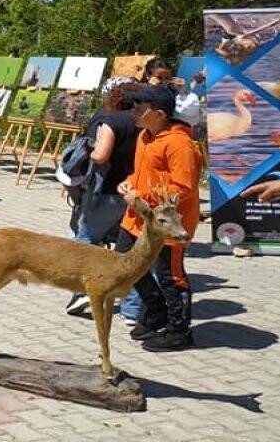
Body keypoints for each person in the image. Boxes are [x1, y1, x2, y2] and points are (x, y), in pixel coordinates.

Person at [115, 86, 203, 352]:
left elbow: (183, 187)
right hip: (136, 220)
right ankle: (156, 312)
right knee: (125, 262)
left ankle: (179, 331)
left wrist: (142, 197)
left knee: (170, 276)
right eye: (135, 107)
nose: (135, 113)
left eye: (141, 109)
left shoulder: (179, 143)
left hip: (168, 225)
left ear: (160, 114)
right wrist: (128, 184)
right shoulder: (145, 136)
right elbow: (144, 174)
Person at [62, 78, 141, 317]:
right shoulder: (144, 121)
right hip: (134, 189)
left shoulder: (112, 120)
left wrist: (89, 150)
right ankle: (134, 308)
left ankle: (85, 291)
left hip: (108, 190)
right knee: (130, 249)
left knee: (87, 239)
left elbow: (102, 155)